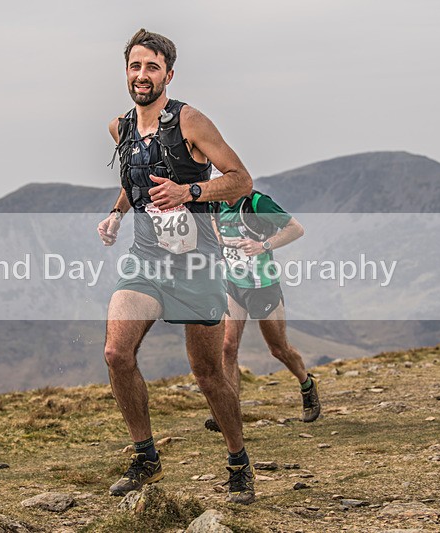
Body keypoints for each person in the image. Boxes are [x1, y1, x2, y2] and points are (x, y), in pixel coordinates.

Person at [97, 28, 256, 504]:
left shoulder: (191, 122)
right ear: (126, 71)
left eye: (151, 67)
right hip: (146, 258)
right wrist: (117, 213)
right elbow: (136, 180)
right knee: (115, 353)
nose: (142, 75)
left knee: (207, 373)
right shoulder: (119, 127)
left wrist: (190, 192)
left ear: (168, 72)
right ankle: (146, 455)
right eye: (134, 66)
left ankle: (238, 461)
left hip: (197, 262)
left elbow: (241, 180)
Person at [204, 191, 321, 433]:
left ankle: (307, 384)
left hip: (262, 286)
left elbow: (295, 228)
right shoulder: (215, 206)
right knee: (227, 346)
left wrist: (263, 245)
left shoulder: (256, 202)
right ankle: (228, 412)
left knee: (278, 349)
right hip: (232, 284)